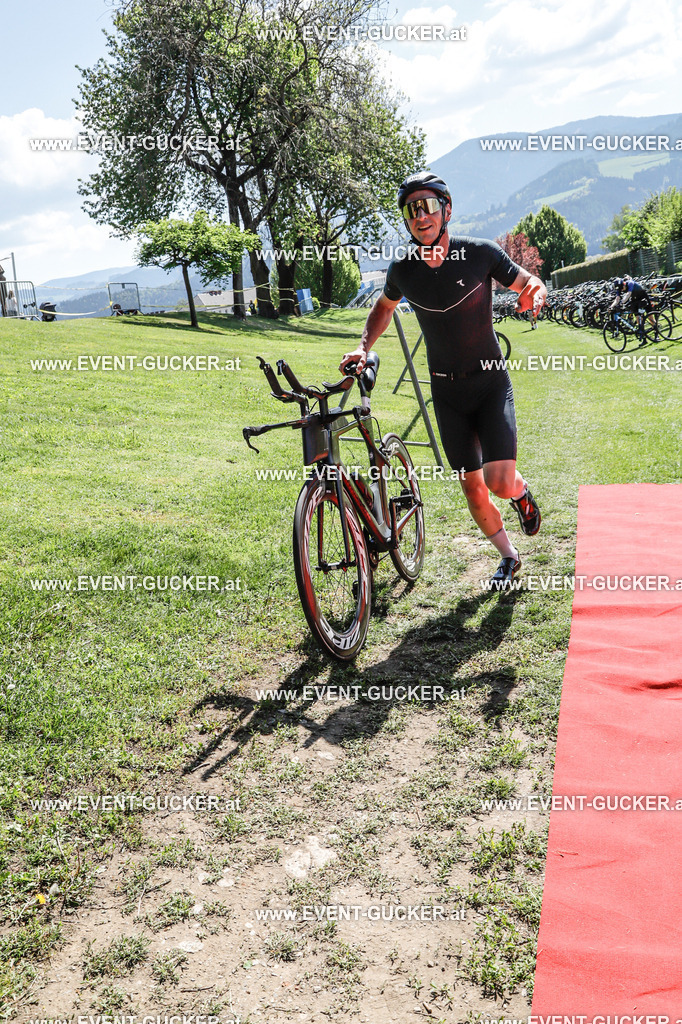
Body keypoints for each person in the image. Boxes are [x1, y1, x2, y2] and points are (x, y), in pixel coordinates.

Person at [339, 171, 547, 590]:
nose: (420, 216)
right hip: (447, 392)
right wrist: (362, 346)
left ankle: (520, 494)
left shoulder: (480, 253)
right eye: (411, 210)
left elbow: (527, 281)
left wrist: (535, 293)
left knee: (498, 481)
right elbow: (384, 308)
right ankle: (508, 557)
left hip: (489, 383)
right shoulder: (403, 270)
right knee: (473, 488)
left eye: (428, 205)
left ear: (446, 209)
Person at [611, 275, 651, 346]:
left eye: (622, 288)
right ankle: (644, 338)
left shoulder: (630, 283)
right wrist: (611, 307)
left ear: (624, 284)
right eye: (620, 289)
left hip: (643, 297)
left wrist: (622, 302)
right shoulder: (619, 288)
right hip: (635, 300)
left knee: (650, 318)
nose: (622, 290)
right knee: (638, 319)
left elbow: (628, 294)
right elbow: (617, 299)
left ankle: (657, 334)